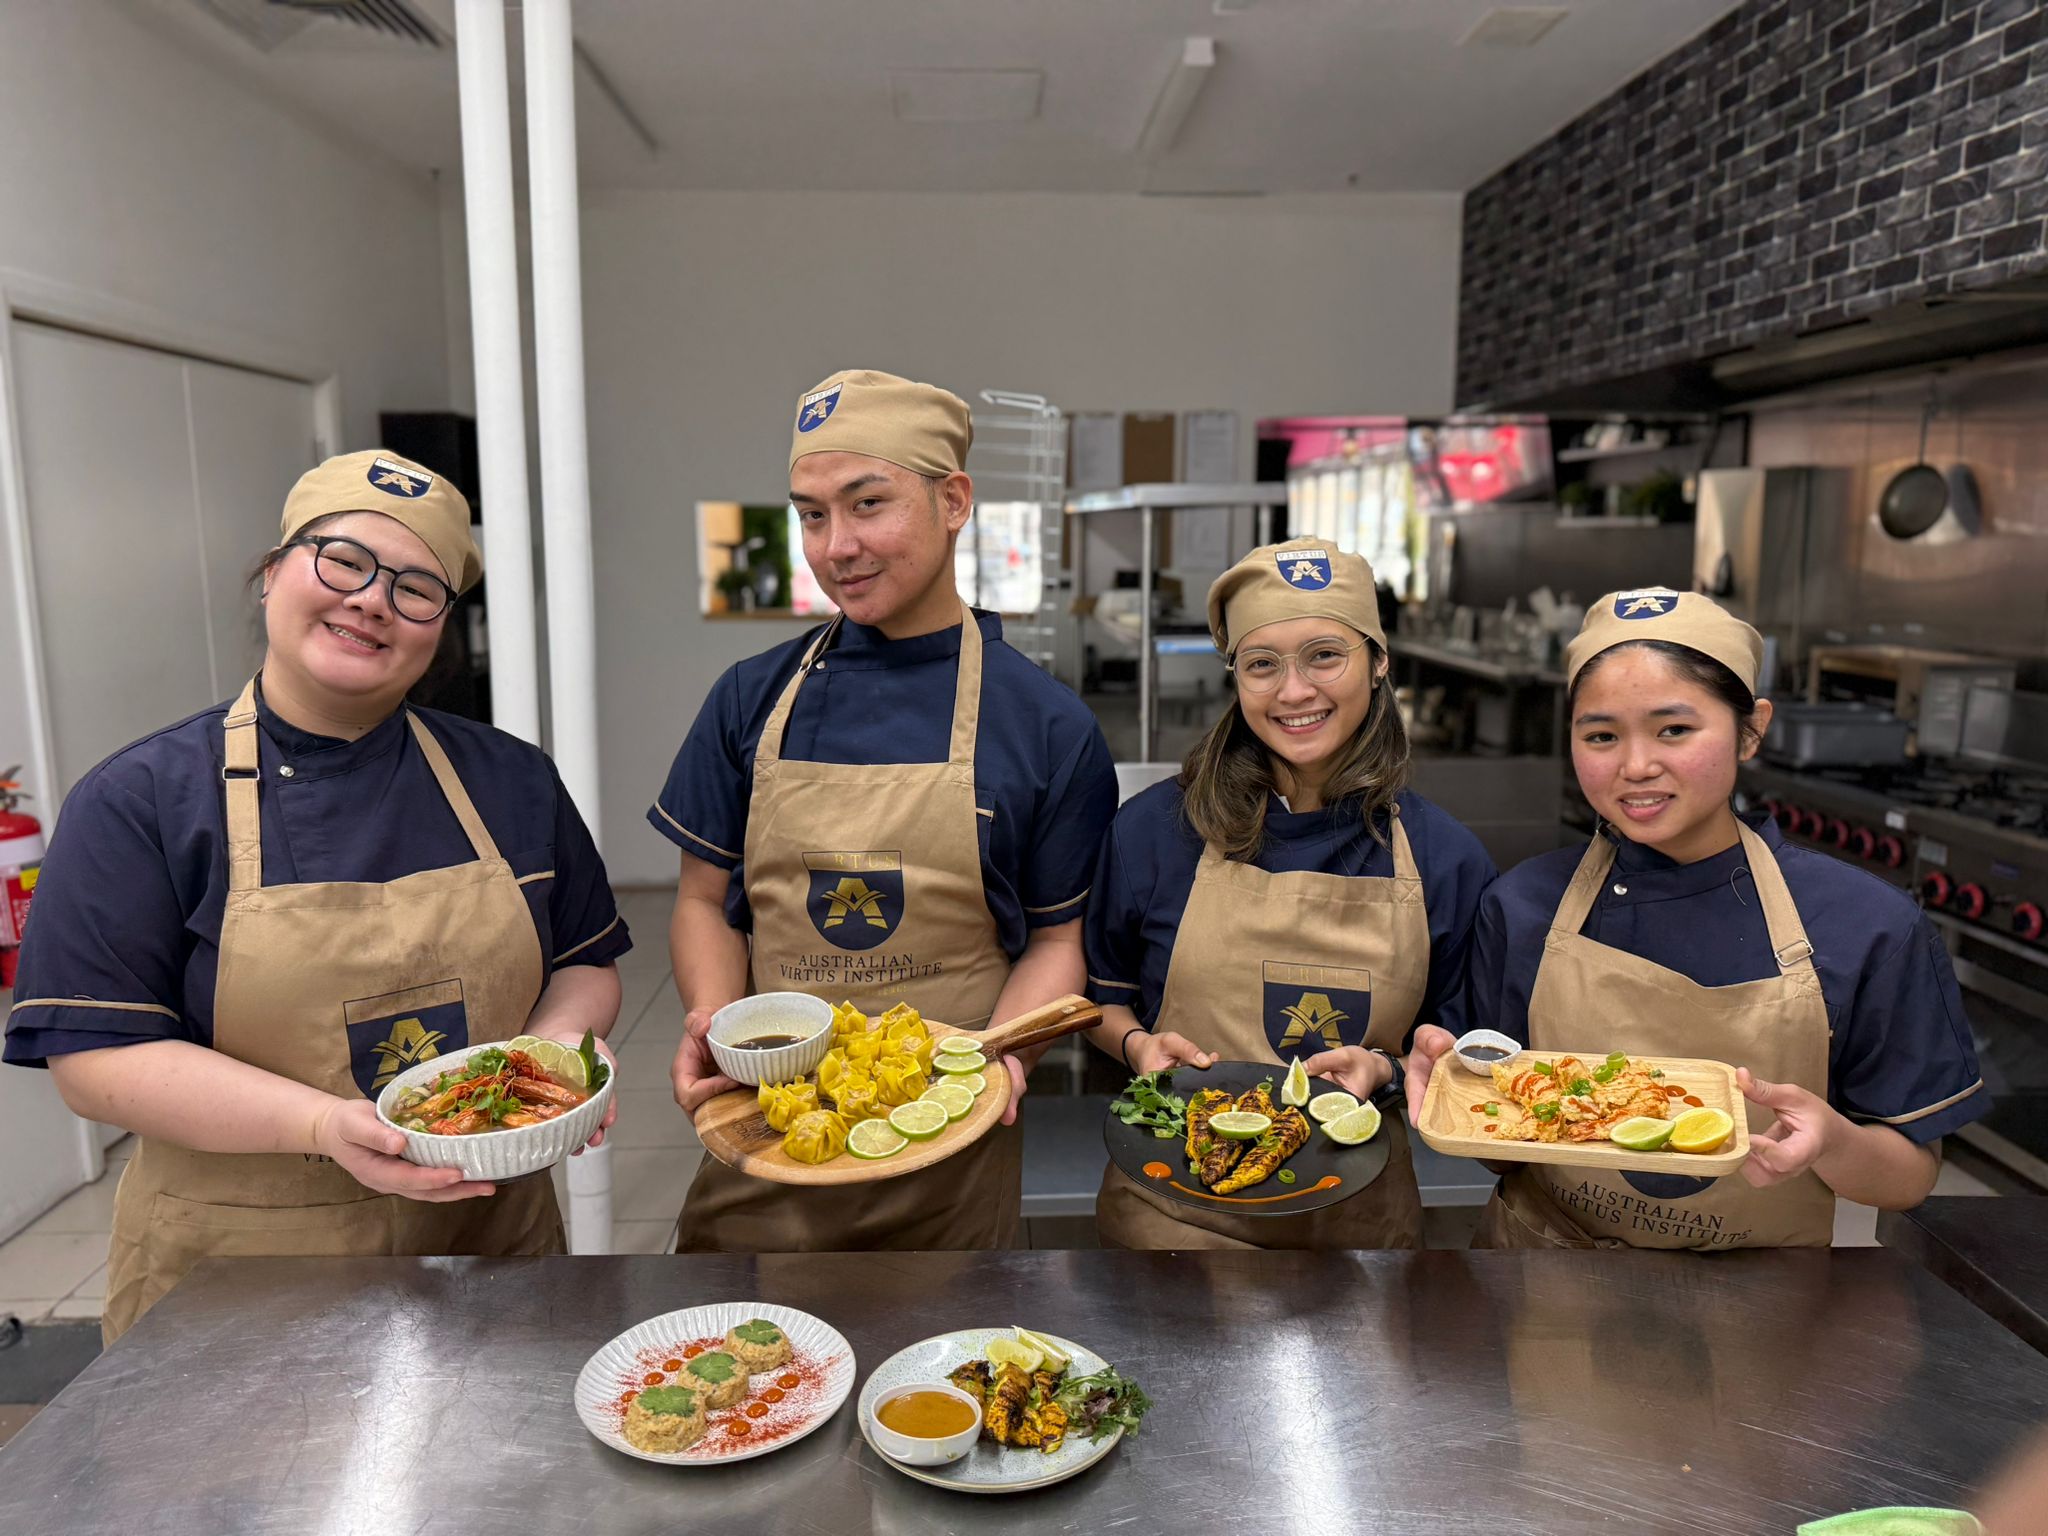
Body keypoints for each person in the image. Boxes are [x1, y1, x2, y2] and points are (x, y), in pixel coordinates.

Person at [1, 450, 630, 1340]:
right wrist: (324, 1124)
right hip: (238, 1287)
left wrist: (558, 1058)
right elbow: (96, 1063)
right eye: (341, 560)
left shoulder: (512, 781)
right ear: (271, 575)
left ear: (439, 627)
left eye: (418, 587)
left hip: (486, 1252)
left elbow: (582, 960)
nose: (372, 598)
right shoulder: (141, 800)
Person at [652, 370, 1117, 1251]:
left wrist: (998, 1064)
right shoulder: (749, 698)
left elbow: (1059, 942)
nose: (836, 547)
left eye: (869, 504)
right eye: (812, 514)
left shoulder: (1047, 726)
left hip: (952, 1138)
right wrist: (717, 1024)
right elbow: (701, 902)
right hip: (770, 1124)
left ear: (954, 501)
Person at [1404, 588, 1985, 1249]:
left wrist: (1834, 1141)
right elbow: (1503, 1151)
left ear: (1752, 728)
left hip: (1762, 1317)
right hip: (1541, 1294)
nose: (1636, 767)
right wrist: (1453, 1097)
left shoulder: (1864, 925)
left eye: (1674, 729)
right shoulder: (1522, 906)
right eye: (1601, 735)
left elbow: (1908, 1179)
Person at [1084, 541, 1495, 1248]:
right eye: (1262, 664)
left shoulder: (1445, 858)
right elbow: (1099, 999)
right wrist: (1137, 1047)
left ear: (1379, 659)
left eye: (1324, 655)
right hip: (1172, 1225)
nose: (1294, 691)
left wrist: (1387, 1069)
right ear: (1235, 678)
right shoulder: (1156, 830)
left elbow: (1461, 1055)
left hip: (1358, 1235)